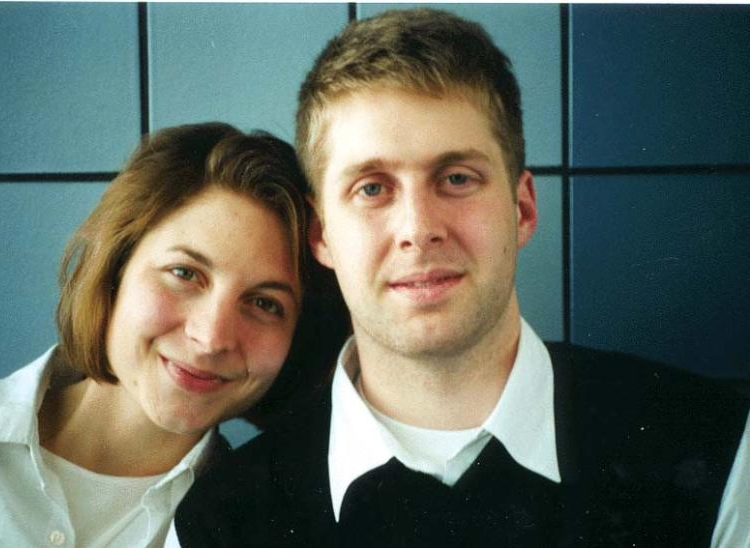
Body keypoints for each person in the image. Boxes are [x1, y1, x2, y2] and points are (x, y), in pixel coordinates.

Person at [174, 9, 750, 548]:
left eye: (456, 178)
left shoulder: (717, 449)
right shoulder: (219, 523)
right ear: (322, 233)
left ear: (522, 208)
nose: (418, 229)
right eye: (372, 188)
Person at [0, 121, 321, 547]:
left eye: (264, 304)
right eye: (185, 273)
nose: (210, 338)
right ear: (115, 266)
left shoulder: (260, 530)